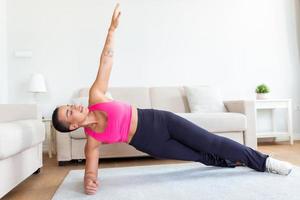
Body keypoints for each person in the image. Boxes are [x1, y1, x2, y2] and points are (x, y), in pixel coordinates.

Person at [51, 4, 293, 195]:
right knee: (200, 157)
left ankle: (265, 162)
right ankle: (234, 163)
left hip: (160, 121)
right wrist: (89, 182)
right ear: (73, 126)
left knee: (210, 142)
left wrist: (111, 30)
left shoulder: (96, 97)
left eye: (69, 106)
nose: (74, 106)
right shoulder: (92, 141)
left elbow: (106, 61)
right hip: (150, 144)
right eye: (70, 112)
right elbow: (90, 171)